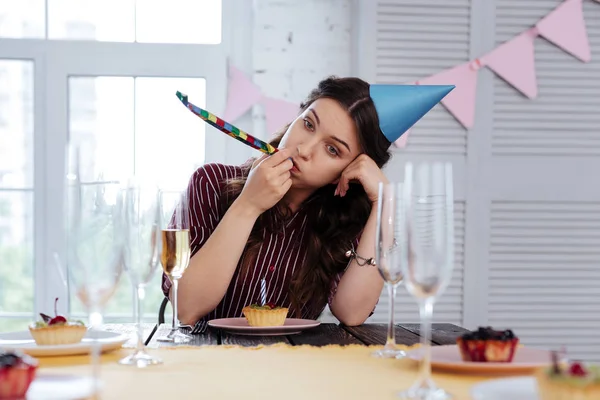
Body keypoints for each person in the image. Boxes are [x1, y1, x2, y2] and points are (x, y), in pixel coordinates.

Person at [162, 76, 453, 327]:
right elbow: (186, 308)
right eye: (308, 124)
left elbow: (351, 313)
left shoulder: (346, 220)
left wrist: (384, 202)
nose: (303, 149)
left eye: (332, 149)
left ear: (351, 169)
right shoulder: (210, 183)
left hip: (296, 373)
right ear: (295, 118)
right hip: (206, 366)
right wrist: (248, 205)